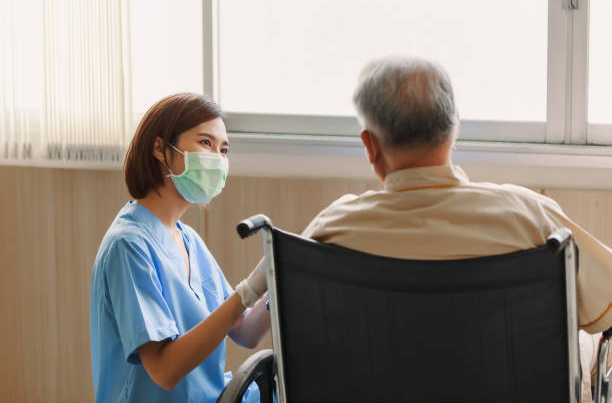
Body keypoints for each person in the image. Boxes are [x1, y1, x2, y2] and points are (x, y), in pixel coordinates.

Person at [301, 56, 612, 402]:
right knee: (583, 339)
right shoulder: (530, 217)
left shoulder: (331, 228)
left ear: (370, 146)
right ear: (454, 128)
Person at [90, 93, 270, 402]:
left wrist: (277, 277)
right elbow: (164, 369)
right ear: (160, 149)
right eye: (205, 143)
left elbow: (244, 330)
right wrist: (245, 292)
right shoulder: (128, 245)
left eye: (224, 149)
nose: (218, 158)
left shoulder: (187, 240)